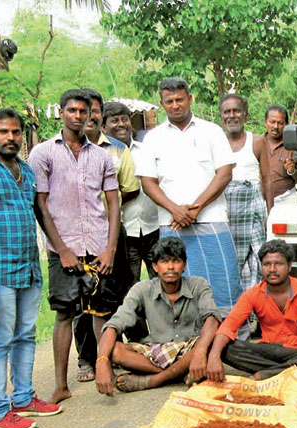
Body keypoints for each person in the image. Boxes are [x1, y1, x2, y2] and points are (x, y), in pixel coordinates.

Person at [0, 108, 61, 428]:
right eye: (3, 132)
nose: (11, 138)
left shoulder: (26, 169)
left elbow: (39, 213)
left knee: (26, 334)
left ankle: (23, 397)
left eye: (16, 132)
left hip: (28, 268)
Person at [29, 89, 120, 405]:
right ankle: (60, 384)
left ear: (92, 115)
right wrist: (62, 249)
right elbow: (40, 204)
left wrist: (109, 249)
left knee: (102, 312)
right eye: (73, 110)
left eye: (85, 111)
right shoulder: (42, 154)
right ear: (62, 113)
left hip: (97, 244)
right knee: (65, 314)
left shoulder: (102, 156)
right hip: (63, 248)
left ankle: (105, 368)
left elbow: (112, 203)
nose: (79, 116)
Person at [136, 77, 243, 324]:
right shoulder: (153, 138)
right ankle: (186, 345)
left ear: (190, 99)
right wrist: (176, 210)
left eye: (180, 100)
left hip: (212, 221)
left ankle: (229, 344)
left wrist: (195, 209)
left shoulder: (212, 131)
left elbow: (224, 174)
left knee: (223, 283)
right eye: (169, 101)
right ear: (162, 104)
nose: (175, 105)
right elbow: (148, 182)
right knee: (176, 286)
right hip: (171, 225)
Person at [71, 90, 140, 382]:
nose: (91, 115)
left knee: (111, 296)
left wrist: (103, 204)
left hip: (110, 232)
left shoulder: (115, 150)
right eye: (85, 110)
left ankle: (113, 353)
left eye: (96, 110)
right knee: (79, 301)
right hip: (73, 236)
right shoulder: (56, 149)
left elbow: (131, 188)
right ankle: (87, 358)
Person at [95, 237, 221, 394]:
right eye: (164, 261)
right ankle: (177, 374)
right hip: (156, 350)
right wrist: (101, 362)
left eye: (175, 261)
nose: (170, 267)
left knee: (212, 341)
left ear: (184, 266)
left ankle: (155, 380)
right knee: (114, 350)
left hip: (190, 347)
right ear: (155, 266)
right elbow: (114, 325)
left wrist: (201, 351)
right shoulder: (142, 289)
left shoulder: (198, 284)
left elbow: (212, 318)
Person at [203, 239, 297, 389]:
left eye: (278, 264)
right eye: (267, 264)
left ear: (289, 266)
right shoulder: (253, 294)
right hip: (268, 350)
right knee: (221, 346)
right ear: (261, 267)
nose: (272, 269)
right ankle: (289, 372)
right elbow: (229, 325)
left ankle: (263, 375)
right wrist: (213, 356)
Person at [103, 100, 160, 283]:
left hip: (153, 228)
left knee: (161, 281)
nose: (121, 124)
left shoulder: (146, 151)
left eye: (124, 119)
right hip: (124, 231)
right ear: (103, 126)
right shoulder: (102, 155)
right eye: (114, 120)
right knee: (129, 285)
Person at [219, 93, 269, 289]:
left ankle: (254, 311)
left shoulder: (256, 142)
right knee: (230, 261)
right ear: (221, 116)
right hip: (226, 212)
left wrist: (269, 213)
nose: (232, 115)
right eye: (227, 112)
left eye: (236, 111)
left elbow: (267, 179)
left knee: (257, 259)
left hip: (254, 209)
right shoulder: (216, 143)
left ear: (246, 115)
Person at [261, 104, 297, 210]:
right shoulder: (256, 144)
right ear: (265, 122)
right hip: (259, 202)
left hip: (285, 201)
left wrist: (292, 171)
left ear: (286, 124)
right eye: (272, 122)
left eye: (280, 123)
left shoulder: (293, 146)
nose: (275, 127)